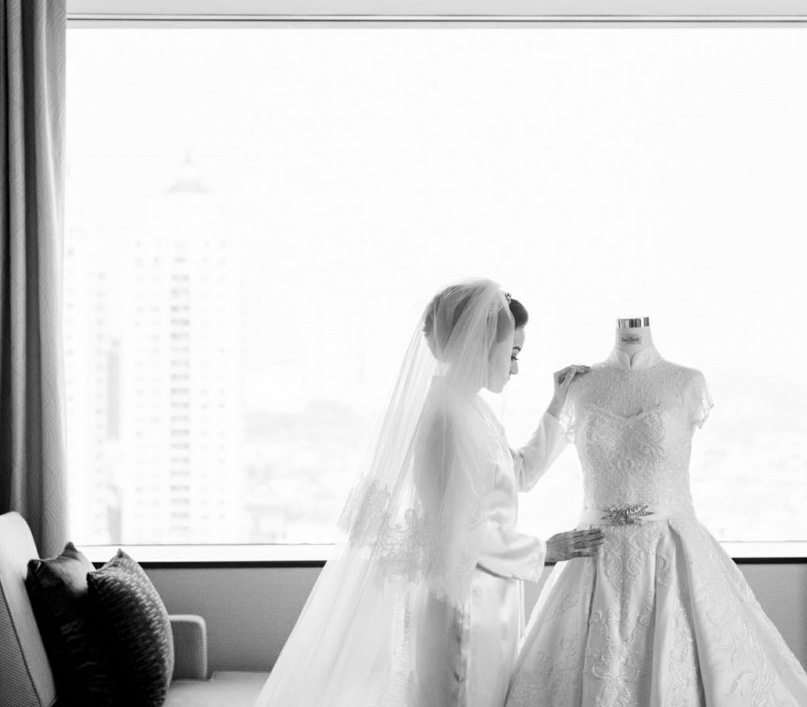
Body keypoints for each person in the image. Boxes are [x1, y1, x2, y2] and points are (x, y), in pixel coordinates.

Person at [255, 278, 602, 707]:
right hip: (467, 602)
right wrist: (545, 549)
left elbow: (518, 474)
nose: (514, 369)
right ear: (481, 344)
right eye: (512, 354)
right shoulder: (449, 418)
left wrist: (558, 407)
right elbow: (461, 529)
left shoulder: (468, 408)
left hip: (488, 595)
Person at [504, 318, 807, 706]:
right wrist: (556, 403)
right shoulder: (578, 388)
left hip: (672, 554)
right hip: (593, 555)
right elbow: (524, 473)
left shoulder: (688, 382)